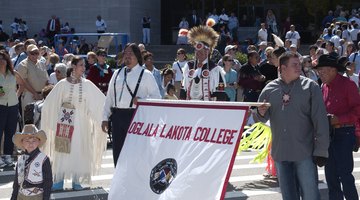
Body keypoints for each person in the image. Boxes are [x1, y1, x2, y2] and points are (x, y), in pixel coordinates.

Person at [257, 52, 330, 200]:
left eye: (300, 64)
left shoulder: (311, 87)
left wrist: (322, 150)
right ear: (283, 68)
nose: (299, 67)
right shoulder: (269, 89)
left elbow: (320, 120)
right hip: (281, 154)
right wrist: (259, 112)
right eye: (295, 65)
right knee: (289, 196)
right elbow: (260, 118)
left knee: (311, 196)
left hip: (304, 153)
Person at [41, 56, 107, 191]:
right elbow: (49, 103)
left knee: (80, 149)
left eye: (84, 65)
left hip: (82, 124)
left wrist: (105, 114)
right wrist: (56, 118)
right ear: (74, 67)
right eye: (81, 65)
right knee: (63, 150)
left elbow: (101, 101)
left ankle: (77, 180)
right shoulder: (62, 84)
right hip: (65, 122)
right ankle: (58, 180)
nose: (84, 68)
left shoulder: (87, 84)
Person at [101, 43, 161, 167]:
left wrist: (142, 101)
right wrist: (104, 118)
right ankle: (119, 181)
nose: (127, 56)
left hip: (135, 117)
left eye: (131, 53)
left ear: (137, 56)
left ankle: (134, 183)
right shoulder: (117, 73)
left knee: (135, 152)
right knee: (118, 151)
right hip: (117, 116)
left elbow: (157, 98)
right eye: (126, 53)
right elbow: (110, 97)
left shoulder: (146, 74)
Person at [315, 54, 360, 200]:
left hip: (345, 132)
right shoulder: (323, 87)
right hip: (329, 134)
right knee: (331, 176)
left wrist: (339, 119)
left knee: (345, 174)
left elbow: (358, 110)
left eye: (323, 70)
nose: (320, 73)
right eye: (319, 71)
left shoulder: (348, 85)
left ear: (333, 70)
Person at [0, 50, 33, 168]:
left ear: (7, 60)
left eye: (3, 58)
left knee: (10, 132)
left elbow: (22, 84)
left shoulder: (13, 73)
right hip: (0, 106)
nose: (1, 61)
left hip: (13, 105)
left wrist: (17, 95)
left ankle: (7, 155)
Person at [183, 25, 226, 101]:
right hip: (189, 106)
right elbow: (184, 89)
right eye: (197, 51)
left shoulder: (214, 69)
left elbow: (220, 94)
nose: (198, 53)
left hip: (207, 108)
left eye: (201, 51)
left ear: (208, 51)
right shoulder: (189, 66)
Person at [11, 124, 52, 200]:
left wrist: (46, 198)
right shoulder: (20, 159)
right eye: (27, 141)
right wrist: (13, 197)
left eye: (34, 141)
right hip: (20, 196)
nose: (31, 143)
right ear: (22, 142)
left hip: (37, 197)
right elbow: (16, 182)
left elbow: (48, 182)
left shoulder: (44, 159)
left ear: (39, 142)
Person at [17, 44, 49, 120]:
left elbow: (46, 80)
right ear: (28, 53)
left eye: (36, 53)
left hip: (42, 95)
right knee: (29, 120)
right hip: (29, 95)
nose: (34, 55)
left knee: (42, 120)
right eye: (32, 53)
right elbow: (24, 82)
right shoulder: (22, 64)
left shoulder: (41, 63)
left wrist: (44, 94)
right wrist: (34, 93)